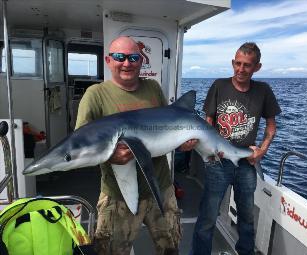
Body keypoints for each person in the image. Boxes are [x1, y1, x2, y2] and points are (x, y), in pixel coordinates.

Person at [75, 36, 196, 255]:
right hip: (117, 193)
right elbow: (81, 144)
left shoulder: (153, 87)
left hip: (161, 186)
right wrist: (111, 156)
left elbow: (165, 128)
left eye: (133, 57)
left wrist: (181, 143)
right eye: (120, 57)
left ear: (141, 60)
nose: (126, 63)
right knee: (110, 251)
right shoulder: (95, 95)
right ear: (109, 60)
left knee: (170, 248)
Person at [189, 42, 281, 255]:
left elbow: (271, 126)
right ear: (232, 63)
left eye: (247, 65)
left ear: (257, 67)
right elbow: (208, 121)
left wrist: (262, 150)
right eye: (237, 63)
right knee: (208, 216)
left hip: (246, 163)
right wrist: (212, 148)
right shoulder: (219, 85)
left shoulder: (263, 91)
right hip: (218, 161)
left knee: (247, 218)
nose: (241, 69)